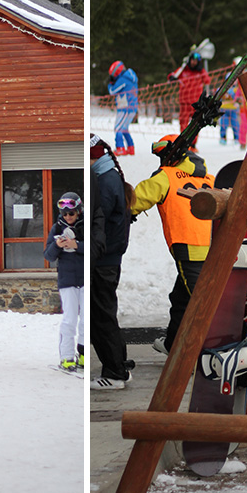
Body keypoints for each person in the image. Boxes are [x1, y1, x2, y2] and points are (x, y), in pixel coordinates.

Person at [129, 134, 215, 354]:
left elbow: (135, 201)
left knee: (201, 305)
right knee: (181, 298)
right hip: (214, 249)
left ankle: (205, 355)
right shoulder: (208, 179)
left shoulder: (166, 176)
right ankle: (172, 344)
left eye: (161, 155)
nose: (161, 161)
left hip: (190, 249)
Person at [90, 134, 132, 390]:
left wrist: (89, 256)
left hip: (103, 262)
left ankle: (115, 373)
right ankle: (120, 366)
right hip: (107, 260)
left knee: (101, 318)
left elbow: (99, 225)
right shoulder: (109, 175)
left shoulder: (105, 181)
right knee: (105, 315)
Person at [44, 191, 84, 373]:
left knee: (85, 320)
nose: (68, 217)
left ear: (78, 211)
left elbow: (95, 247)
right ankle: (66, 356)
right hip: (67, 281)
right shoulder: (57, 228)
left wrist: (77, 245)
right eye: (65, 214)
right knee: (69, 319)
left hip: (84, 279)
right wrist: (57, 245)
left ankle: (82, 353)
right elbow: (48, 256)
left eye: (72, 213)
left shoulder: (85, 227)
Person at [168, 51, 211, 136]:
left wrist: (202, 72)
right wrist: (172, 77)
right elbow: (173, 75)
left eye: (196, 61)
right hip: (184, 102)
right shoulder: (183, 70)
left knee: (196, 124)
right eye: (192, 60)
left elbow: (207, 80)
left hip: (196, 103)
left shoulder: (201, 71)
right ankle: (183, 142)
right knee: (183, 123)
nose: (194, 62)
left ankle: (193, 144)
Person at [107, 61, 139, 155]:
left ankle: (120, 148)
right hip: (132, 107)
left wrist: (110, 84)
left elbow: (112, 91)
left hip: (125, 107)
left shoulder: (123, 79)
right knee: (124, 128)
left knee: (118, 128)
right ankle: (130, 147)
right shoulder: (131, 77)